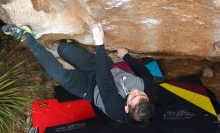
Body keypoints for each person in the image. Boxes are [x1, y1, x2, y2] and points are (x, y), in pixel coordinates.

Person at [1, 23, 156, 126]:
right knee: (63, 49)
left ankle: (26, 37)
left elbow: (104, 80)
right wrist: (126, 56)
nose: (135, 91)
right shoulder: (149, 88)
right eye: (140, 94)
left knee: (58, 73)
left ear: (127, 108)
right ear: (147, 97)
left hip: (89, 88)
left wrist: (99, 42)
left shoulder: (115, 110)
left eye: (133, 97)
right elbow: (143, 71)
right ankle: (69, 46)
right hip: (105, 69)